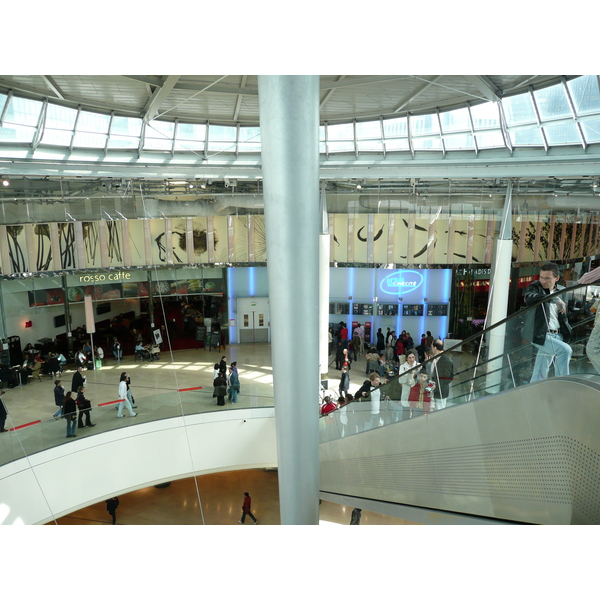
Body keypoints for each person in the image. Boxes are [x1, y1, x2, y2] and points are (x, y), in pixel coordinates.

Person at [525, 262, 572, 382]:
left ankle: (534, 389)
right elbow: (529, 298)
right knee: (565, 350)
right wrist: (553, 299)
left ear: (556, 278)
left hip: (557, 334)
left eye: (547, 278)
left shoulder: (561, 290)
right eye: (541, 277)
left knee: (541, 368)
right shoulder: (536, 287)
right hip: (541, 334)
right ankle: (562, 383)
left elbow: (562, 316)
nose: (543, 281)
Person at [430, 340, 454, 410]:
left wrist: (436, 385)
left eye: (432, 346)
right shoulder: (435, 358)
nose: (431, 348)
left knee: (439, 411)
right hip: (433, 389)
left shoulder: (446, 360)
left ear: (435, 348)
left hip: (440, 391)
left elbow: (448, 378)